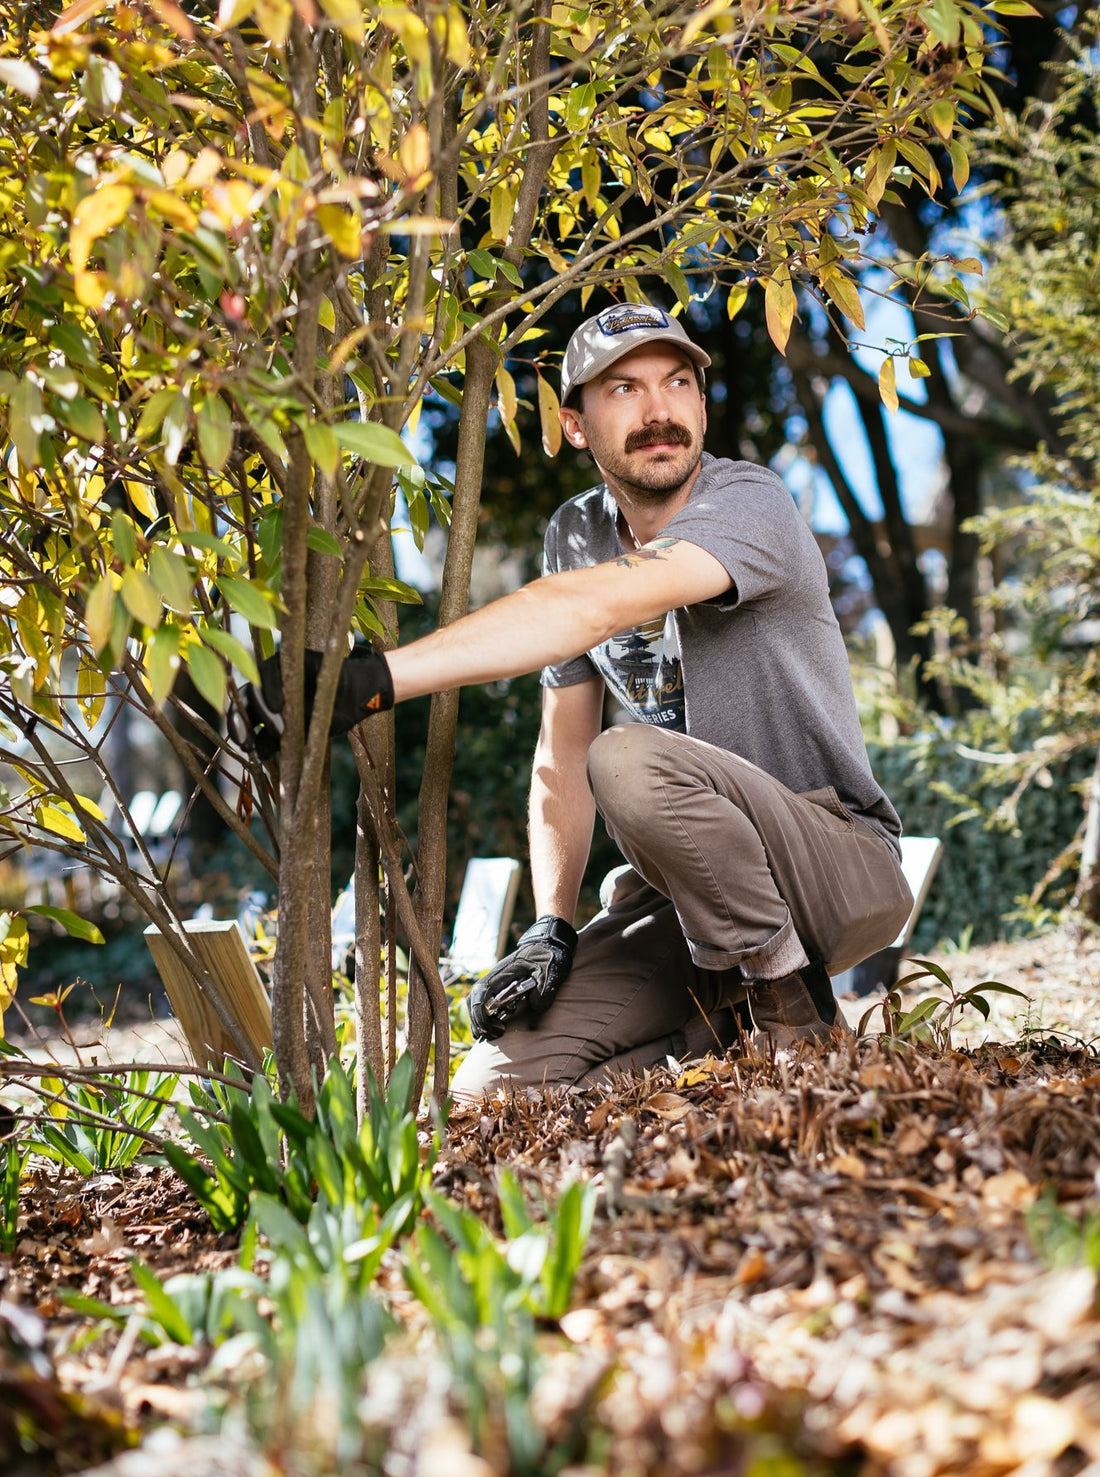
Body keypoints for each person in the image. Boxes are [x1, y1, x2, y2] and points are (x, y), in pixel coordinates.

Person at [241, 303, 913, 1097]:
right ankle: (726, 1036)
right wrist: (550, 925)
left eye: (677, 384)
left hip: (835, 857)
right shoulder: (577, 533)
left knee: (625, 759)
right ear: (574, 425)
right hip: (687, 897)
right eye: (624, 389)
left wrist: (372, 679)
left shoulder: (750, 502)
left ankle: (795, 1019)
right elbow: (560, 752)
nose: (659, 409)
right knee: (496, 1085)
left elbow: (587, 610)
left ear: (701, 403)